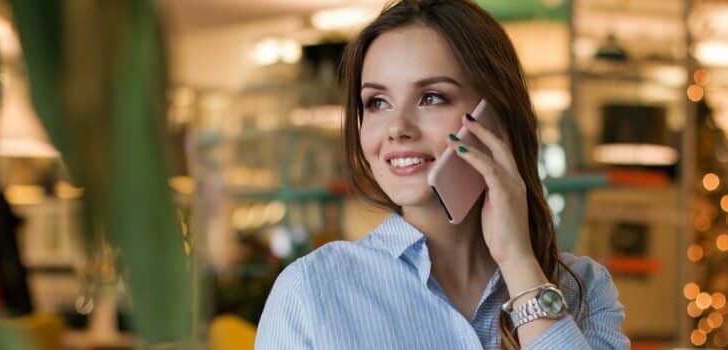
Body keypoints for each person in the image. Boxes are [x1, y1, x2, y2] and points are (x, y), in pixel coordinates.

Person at [255, 0, 630, 349]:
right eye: (377, 103)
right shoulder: (313, 289)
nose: (396, 127)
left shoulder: (581, 288)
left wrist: (518, 263)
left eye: (431, 97)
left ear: (496, 115)